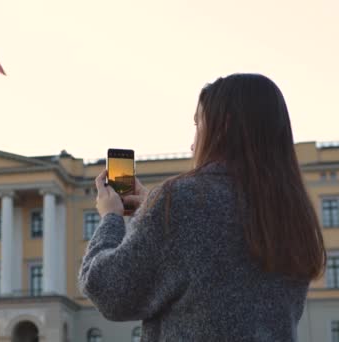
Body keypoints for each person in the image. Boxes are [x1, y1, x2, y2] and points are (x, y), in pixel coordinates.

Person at [78, 73, 326, 341]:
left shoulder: (179, 201)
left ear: (224, 126)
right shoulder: (293, 213)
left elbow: (110, 291)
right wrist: (152, 210)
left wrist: (111, 218)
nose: (193, 143)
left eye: (198, 124)